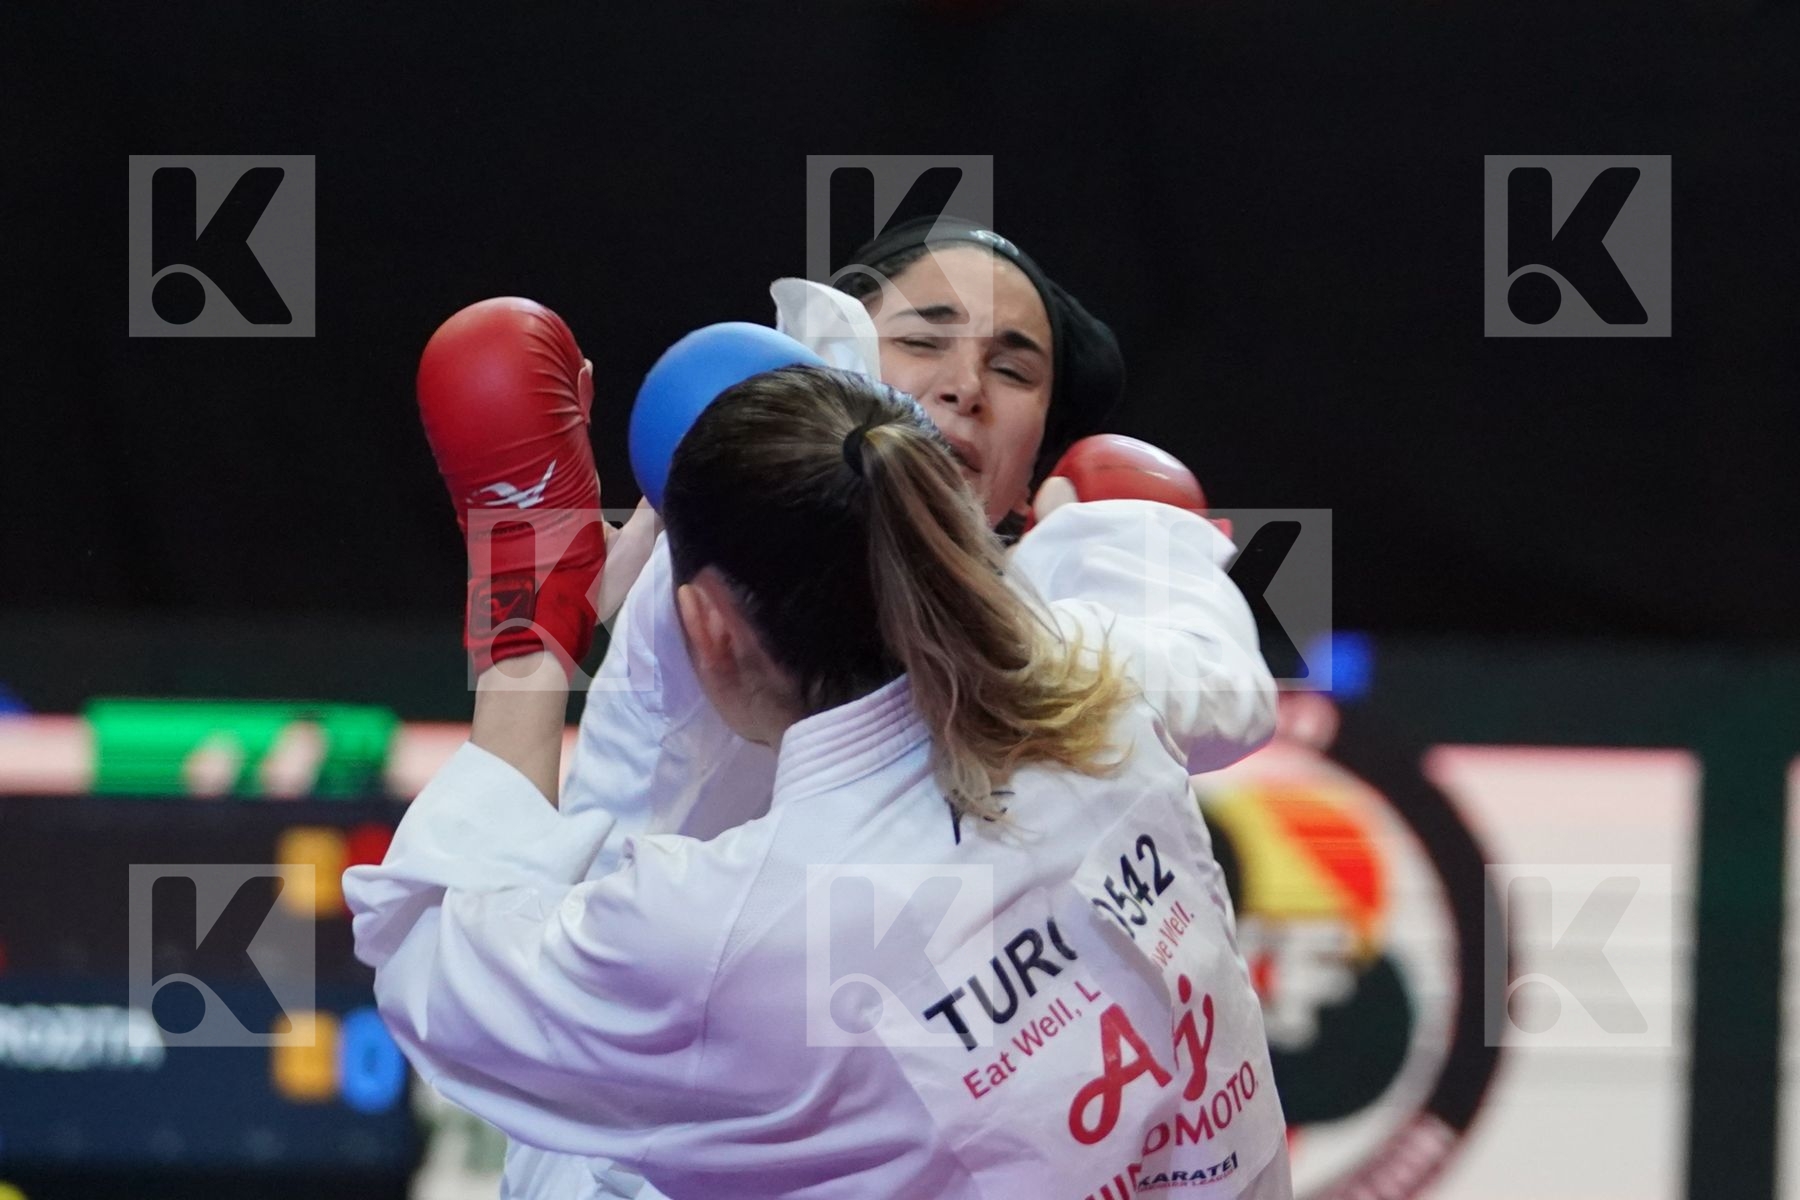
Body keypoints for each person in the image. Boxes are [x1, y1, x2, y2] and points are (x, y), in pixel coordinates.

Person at [346, 362, 1292, 1198]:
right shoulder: (1103, 681)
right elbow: (1215, 670)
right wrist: (1128, 534)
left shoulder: (728, 934)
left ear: (710, 627)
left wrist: (530, 624)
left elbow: (438, 958)